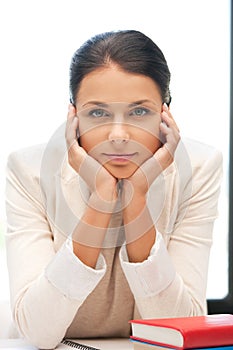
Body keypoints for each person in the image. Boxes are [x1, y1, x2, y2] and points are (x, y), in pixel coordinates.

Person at [5, 30, 222, 349]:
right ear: (73, 117)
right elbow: (38, 332)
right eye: (98, 113)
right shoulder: (29, 171)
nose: (119, 135)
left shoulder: (200, 168)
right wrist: (102, 198)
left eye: (139, 112)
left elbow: (179, 327)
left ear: (166, 114)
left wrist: (137, 198)